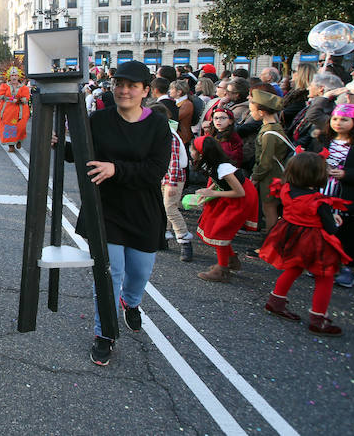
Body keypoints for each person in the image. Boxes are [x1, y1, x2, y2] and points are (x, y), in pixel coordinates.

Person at [60, 60, 170, 366]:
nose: (124, 90)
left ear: (146, 91)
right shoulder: (99, 119)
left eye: (132, 86)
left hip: (143, 210)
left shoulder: (158, 124)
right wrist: (62, 146)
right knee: (110, 273)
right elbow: (85, 155)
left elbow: (155, 170)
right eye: (119, 84)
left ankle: (130, 302)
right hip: (105, 208)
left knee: (139, 272)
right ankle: (104, 333)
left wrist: (116, 169)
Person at [259, 152, 350, 336]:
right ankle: (318, 319)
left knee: (293, 268)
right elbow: (331, 228)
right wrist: (336, 219)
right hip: (313, 241)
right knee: (325, 277)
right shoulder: (319, 201)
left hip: (291, 235)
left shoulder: (285, 189)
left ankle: (276, 301)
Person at [310, 104, 354, 288]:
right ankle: (321, 262)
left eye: (344, 120)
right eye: (335, 119)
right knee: (322, 226)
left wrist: (347, 174)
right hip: (323, 191)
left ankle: (344, 267)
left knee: (346, 232)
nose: (338, 123)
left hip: (349, 195)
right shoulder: (323, 140)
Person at [188, 136, 258, 282]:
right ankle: (230, 260)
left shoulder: (223, 168)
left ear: (202, 154)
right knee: (218, 228)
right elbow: (216, 180)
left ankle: (222, 270)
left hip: (240, 200)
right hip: (230, 197)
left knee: (220, 231)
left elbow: (240, 192)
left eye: (193, 149)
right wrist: (207, 192)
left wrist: (213, 193)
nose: (190, 150)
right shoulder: (211, 164)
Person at [150, 103, 193, 261]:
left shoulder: (168, 134)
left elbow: (173, 161)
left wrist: (172, 184)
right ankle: (164, 237)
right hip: (164, 177)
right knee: (163, 208)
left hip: (172, 178)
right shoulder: (163, 131)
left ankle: (185, 240)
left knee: (170, 209)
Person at [249, 89, 289, 243]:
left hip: (271, 176)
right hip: (272, 174)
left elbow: (265, 161)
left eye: (253, 110)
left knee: (269, 210)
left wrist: (255, 177)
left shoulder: (270, 133)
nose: (252, 114)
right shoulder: (273, 128)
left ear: (262, 111)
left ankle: (270, 243)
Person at [0, 67, 30, 152]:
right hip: (8, 111)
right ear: (9, 77)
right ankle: (11, 145)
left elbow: (26, 99)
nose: (14, 77)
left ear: (19, 77)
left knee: (20, 127)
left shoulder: (24, 88)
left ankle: (19, 140)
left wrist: (18, 100)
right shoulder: (4, 86)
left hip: (21, 111)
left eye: (16, 75)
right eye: (12, 75)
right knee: (9, 127)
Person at [169, 79, 194, 145]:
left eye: (172, 89)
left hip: (183, 138)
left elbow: (175, 117)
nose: (169, 91)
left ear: (179, 92)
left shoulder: (187, 104)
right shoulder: (178, 102)